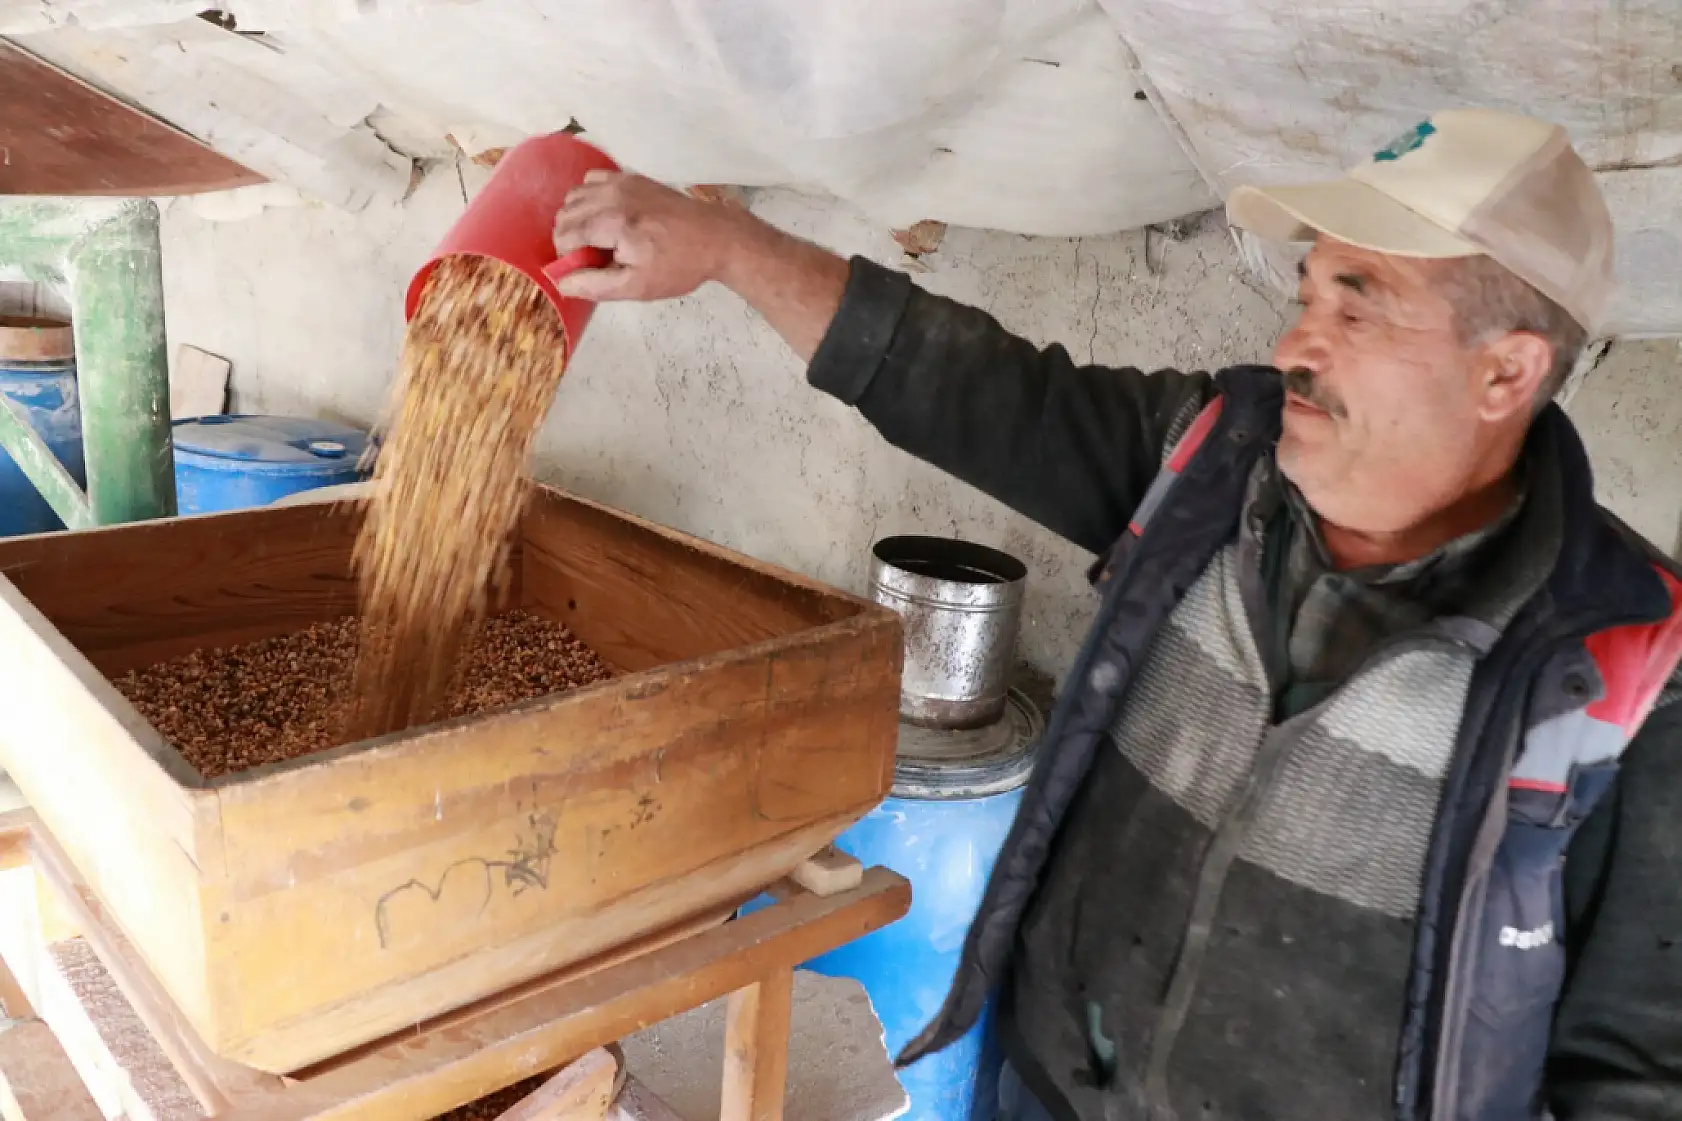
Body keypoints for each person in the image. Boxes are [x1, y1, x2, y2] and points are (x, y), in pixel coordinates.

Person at [552, 108, 1682, 1120]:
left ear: (1505, 373)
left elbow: (1639, 1067)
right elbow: (972, 389)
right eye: (1308, 293)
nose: (1295, 344)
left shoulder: (1632, 662)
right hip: (1046, 1087)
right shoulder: (1209, 468)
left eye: (1360, 302)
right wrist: (728, 248)